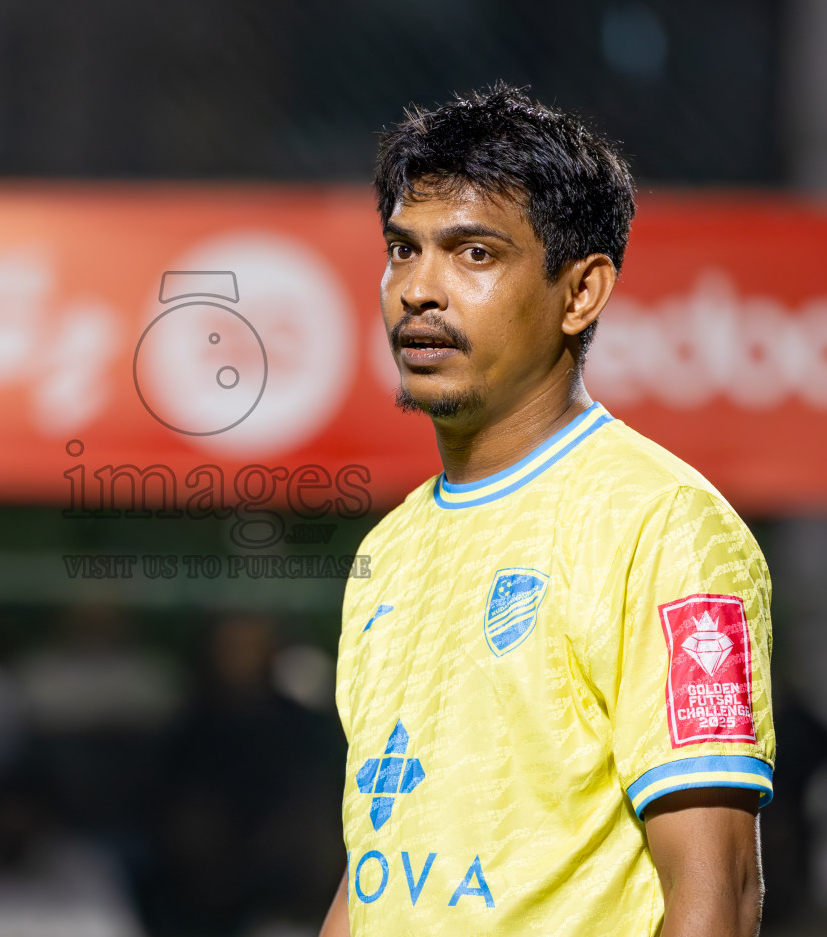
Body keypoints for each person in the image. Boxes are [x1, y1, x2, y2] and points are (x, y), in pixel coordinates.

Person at [319, 85, 774, 937]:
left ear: (582, 292)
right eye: (402, 249)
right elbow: (377, 865)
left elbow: (719, 890)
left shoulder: (664, 525)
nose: (419, 290)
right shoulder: (391, 547)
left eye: (474, 253)